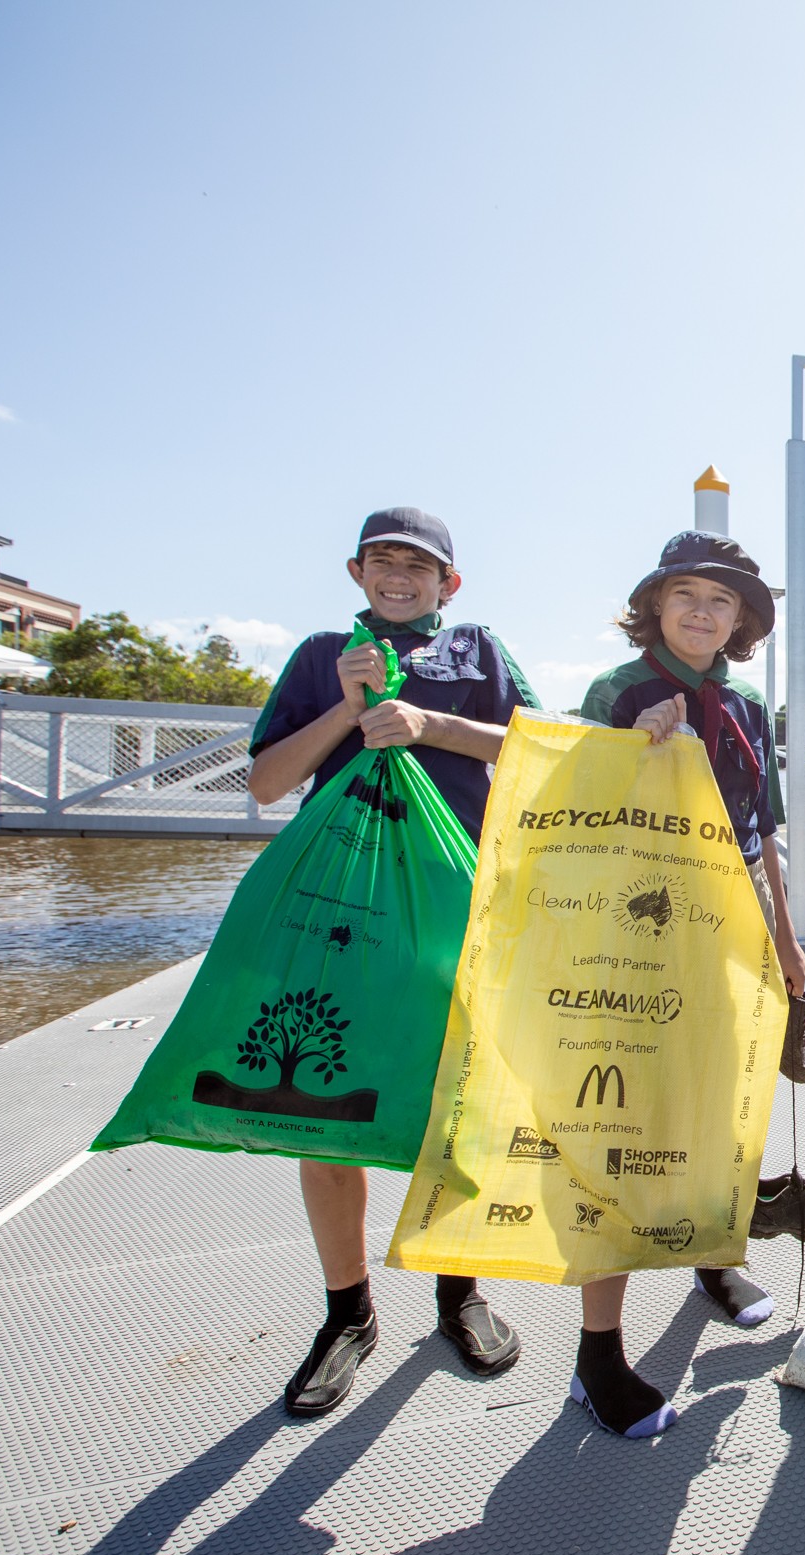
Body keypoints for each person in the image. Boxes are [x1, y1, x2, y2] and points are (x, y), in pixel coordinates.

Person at [244, 507, 534, 1416]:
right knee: (321, 1107)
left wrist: (428, 722)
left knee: (453, 1107)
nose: (400, 575)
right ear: (357, 570)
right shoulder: (323, 652)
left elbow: (537, 755)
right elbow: (265, 783)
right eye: (384, 560)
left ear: (451, 583)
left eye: (421, 564)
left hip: (455, 905)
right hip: (340, 909)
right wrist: (347, 704)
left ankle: (460, 1295)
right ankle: (348, 1314)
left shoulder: (481, 651)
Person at [571, 531, 805, 1436]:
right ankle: (597, 1352)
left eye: (721, 600)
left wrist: (787, 938)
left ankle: (714, 1261)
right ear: (654, 606)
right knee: (622, 1127)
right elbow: (575, 812)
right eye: (685, 593)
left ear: (741, 621)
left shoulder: (746, 702)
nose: (701, 611)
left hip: (731, 924)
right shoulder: (617, 693)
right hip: (638, 925)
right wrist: (632, 752)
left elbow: (764, 829)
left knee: (726, 1109)